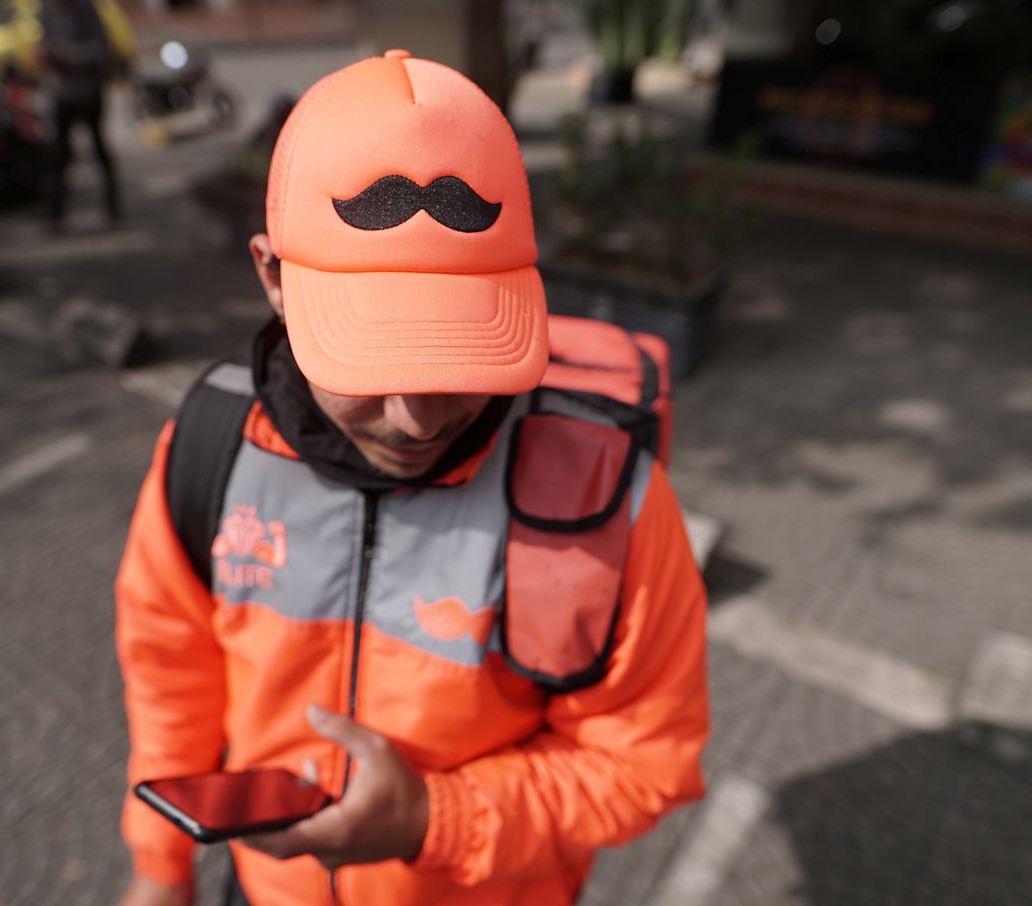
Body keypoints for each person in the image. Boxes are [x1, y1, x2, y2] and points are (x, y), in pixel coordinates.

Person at [115, 50, 709, 906]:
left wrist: (438, 819)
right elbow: (170, 673)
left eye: (464, 353)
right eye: (369, 359)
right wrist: (159, 866)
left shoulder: (611, 499)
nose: (417, 419)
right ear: (273, 277)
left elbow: (646, 763)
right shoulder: (209, 447)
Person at [39, 0, 120, 230]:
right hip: (60, 94)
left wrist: (69, 56)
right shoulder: (45, 9)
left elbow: (101, 47)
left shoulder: (84, 8)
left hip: (87, 92)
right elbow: (45, 41)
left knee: (99, 149)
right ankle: (55, 212)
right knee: (58, 154)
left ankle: (112, 206)